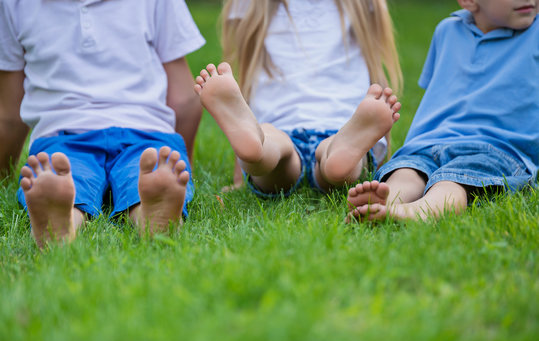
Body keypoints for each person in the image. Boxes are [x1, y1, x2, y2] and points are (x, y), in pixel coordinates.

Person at [0, 0, 205, 247]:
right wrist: (182, 165)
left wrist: (3, 174)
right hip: (144, 133)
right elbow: (184, 99)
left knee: (61, 173)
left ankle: (66, 220)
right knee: (147, 173)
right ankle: (148, 215)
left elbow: (9, 113)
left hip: (67, 136)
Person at [347, 0, 538, 221]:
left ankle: (417, 212)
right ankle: (387, 200)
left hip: (495, 148)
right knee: (407, 171)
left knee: (453, 180)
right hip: (428, 143)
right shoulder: (447, 32)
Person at [194, 0, 402, 197]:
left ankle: (259, 151)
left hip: (279, 126)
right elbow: (375, 70)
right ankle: (337, 157)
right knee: (340, 158)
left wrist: (239, 178)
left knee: (269, 147)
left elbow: (249, 77)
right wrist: (383, 164)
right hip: (343, 126)